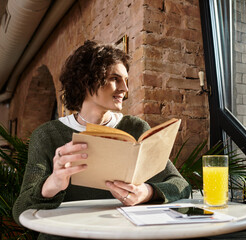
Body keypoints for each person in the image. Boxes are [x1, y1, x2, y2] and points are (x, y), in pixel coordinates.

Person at [12, 40, 191, 239]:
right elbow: (21, 210)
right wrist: (53, 183)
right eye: (115, 78)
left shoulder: (135, 128)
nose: (125, 89)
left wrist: (147, 192)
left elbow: (181, 186)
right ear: (86, 80)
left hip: (123, 235)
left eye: (126, 80)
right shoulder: (47, 135)